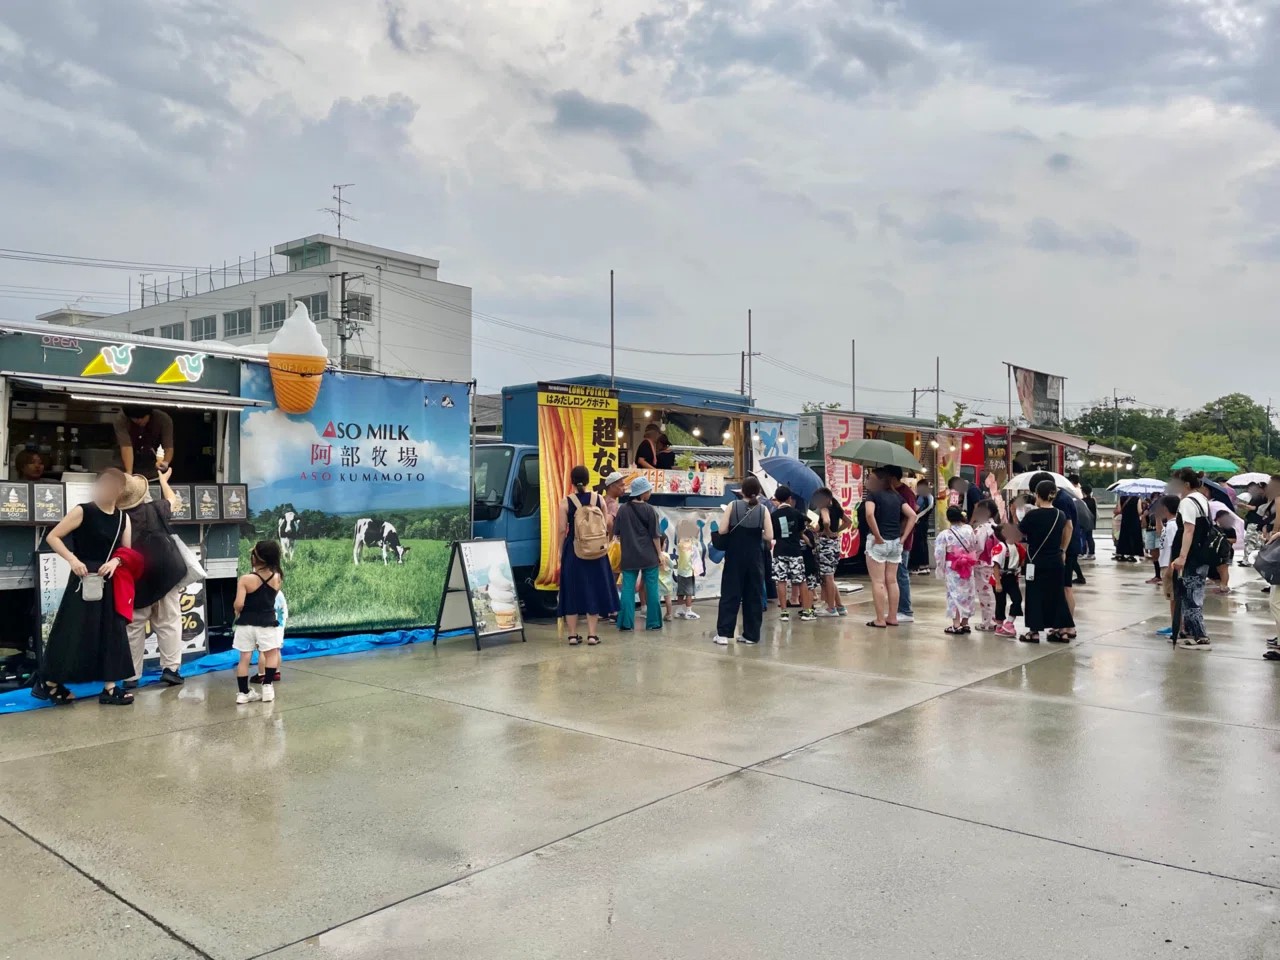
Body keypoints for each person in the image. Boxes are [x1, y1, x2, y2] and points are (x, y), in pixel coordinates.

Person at [32, 469, 135, 705]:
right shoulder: (83, 510)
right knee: (73, 630)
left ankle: (110, 688)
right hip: (83, 580)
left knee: (112, 632)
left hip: (109, 581)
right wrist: (72, 560)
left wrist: (115, 561)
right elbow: (53, 537)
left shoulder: (123, 518)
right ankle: (49, 681)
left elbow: (127, 551)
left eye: (111, 486)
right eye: (102, 484)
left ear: (119, 491)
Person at [118, 470, 187, 688]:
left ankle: (130, 676)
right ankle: (171, 669)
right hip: (165, 574)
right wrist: (164, 480)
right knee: (169, 622)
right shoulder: (156, 508)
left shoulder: (116, 517)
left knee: (134, 627)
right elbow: (173, 501)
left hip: (135, 578)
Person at [558, 465, 619, 645]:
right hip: (597, 550)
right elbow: (607, 525)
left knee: (571, 590)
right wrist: (605, 543)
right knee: (593, 588)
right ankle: (592, 635)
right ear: (588, 480)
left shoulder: (565, 502)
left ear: (571, 481)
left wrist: (561, 551)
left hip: (574, 550)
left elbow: (562, 530)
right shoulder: (598, 499)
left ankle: (572, 635)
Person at [713, 475, 774, 645]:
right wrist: (757, 532)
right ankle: (751, 635)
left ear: (742, 491)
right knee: (753, 595)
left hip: (735, 556)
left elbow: (722, 530)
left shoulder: (733, 506)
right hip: (755, 558)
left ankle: (724, 634)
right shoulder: (763, 510)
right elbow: (769, 536)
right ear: (758, 492)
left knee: (730, 593)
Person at [1018, 478, 1075, 643]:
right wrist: (1062, 549)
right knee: (1057, 594)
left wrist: (1015, 514)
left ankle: (1034, 631)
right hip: (1056, 560)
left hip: (1035, 561)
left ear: (1037, 495)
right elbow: (1067, 530)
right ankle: (1059, 630)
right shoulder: (1060, 514)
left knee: (1034, 594)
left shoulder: (1032, 515)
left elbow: (1020, 535)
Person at [863, 469, 917, 628]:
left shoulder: (872, 495)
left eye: (870, 478)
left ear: (879, 481)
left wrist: (877, 536)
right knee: (892, 581)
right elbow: (913, 515)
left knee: (878, 582)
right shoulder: (897, 496)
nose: (868, 481)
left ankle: (880, 619)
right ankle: (892, 616)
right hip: (895, 543)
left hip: (878, 542)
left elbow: (869, 514)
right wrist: (903, 538)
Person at [233, 541, 284, 703]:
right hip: (268, 622)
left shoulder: (245, 579)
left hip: (246, 623)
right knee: (271, 654)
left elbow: (239, 604)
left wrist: (237, 609)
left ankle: (243, 693)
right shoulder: (277, 577)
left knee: (244, 658)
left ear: (256, 558)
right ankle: (267, 687)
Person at [1029, 471, 1082, 628]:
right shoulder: (1061, 497)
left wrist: (1062, 550)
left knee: (1065, 588)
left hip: (1066, 549)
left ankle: (1068, 627)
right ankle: (1063, 625)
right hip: (1064, 549)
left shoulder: (1061, 501)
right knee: (1062, 588)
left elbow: (1069, 526)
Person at [1168, 468, 1213, 650]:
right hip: (1201, 553)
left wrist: (1182, 557)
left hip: (1191, 555)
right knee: (1194, 593)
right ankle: (1191, 632)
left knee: (1191, 596)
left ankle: (1199, 635)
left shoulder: (1187, 502)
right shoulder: (1202, 498)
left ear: (1186, 484)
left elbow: (1189, 529)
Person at [616, 476, 663, 632]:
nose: (650, 492)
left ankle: (625, 623)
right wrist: (660, 554)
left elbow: (617, 533)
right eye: (648, 490)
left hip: (629, 555)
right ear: (642, 493)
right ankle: (654, 622)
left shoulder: (622, 509)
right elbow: (655, 536)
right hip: (649, 556)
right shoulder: (651, 510)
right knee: (652, 588)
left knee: (628, 590)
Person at [771, 485, 814, 623]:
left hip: (780, 550)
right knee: (801, 580)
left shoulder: (773, 515)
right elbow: (801, 532)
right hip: (795, 551)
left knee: (781, 581)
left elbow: (772, 534)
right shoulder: (797, 514)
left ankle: (784, 612)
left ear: (777, 499)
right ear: (790, 499)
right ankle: (807, 611)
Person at [882, 467, 919, 621]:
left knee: (900, 574)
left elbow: (910, 516)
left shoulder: (905, 493)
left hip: (901, 541)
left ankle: (905, 610)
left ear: (891, 478)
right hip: (892, 539)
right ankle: (897, 610)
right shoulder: (890, 492)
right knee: (893, 576)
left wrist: (901, 538)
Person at [934, 506, 977, 634]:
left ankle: (956, 624)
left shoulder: (945, 535)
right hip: (967, 564)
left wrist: (940, 568)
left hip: (953, 566)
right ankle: (965, 622)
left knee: (954, 594)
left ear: (948, 518)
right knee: (967, 593)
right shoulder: (969, 530)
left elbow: (939, 553)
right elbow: (974, 545)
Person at [812, 487, 850, 617]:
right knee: (830, 577)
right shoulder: (837, 509)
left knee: (827, 577)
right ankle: (839, 606)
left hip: (825, 545)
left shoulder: (824, 509)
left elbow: (826, 521)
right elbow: (848, 522)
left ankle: (831, 608)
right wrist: (836, 531)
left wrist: (827, 530)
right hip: (834, 544)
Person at [114, 406, 175, 479]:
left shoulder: (163, 419)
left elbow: (168, 447)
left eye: (142, 418)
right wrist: (129, 473)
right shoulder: (121, 419)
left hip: (151, 462)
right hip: (125, 461)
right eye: (135, 419)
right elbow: (126, 447)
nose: (139, 421)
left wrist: (165, 462)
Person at [969, 499, 1000, 631]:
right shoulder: (996, 527)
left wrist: (973, 556)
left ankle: (988, 622)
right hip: (995, 563)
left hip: (982, 564)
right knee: (992, 593)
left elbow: (979, 546)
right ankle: (995, 620)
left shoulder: (982, 528)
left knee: (985, 594)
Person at [992, 521, 1026, 637]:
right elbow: (995, 566)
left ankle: (1009, 623)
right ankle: (999, 626)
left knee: (1017, 599)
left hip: (1012, 578)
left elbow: (1022, 561)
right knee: (1000, 602)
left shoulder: (1018, 547)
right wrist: (997, 583)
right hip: (1000, 578)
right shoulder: (1000, 547)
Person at [910, 479, 934, 573]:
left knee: (918, 544)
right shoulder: (930, 497)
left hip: (918, 522)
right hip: (925, 523)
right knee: (923, 543)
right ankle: (925, 566)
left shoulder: (922, 497)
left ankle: (919, 566)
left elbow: (916, 508)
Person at [673, 536, 699, 620]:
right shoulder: (691, 546)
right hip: (688, 572)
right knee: (689, 593)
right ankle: (689, 611)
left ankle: (679, 609)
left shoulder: (680, 544)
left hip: (680, 572)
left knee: (681, 591)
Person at [1114, 495, 1144, 562]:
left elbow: (1119, 510)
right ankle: (1131, 555)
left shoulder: (1121, 498)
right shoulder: (1137, 499)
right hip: (1134, 521)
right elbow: (1139, 511)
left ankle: (1121, 554)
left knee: (1124, 536)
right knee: (1133, 537)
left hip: (1125, 520)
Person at [657, 535, 675, 621]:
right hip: (667, 582)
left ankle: (657, 615)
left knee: (657, 600)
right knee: (668, 599)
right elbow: (672, 565)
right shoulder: (666, 555)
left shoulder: (655, 555)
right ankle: (669, 614)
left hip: (658, 581)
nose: (665, 544)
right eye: (665, 542)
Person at [1080, 484, 1098, 559]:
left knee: (1083, 537)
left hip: (1084, 521)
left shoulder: (1082, 501)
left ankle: (1083, 552)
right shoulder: (1093, 500)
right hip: (1091, 521)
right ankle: (1092, 553)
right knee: (1090, 537)